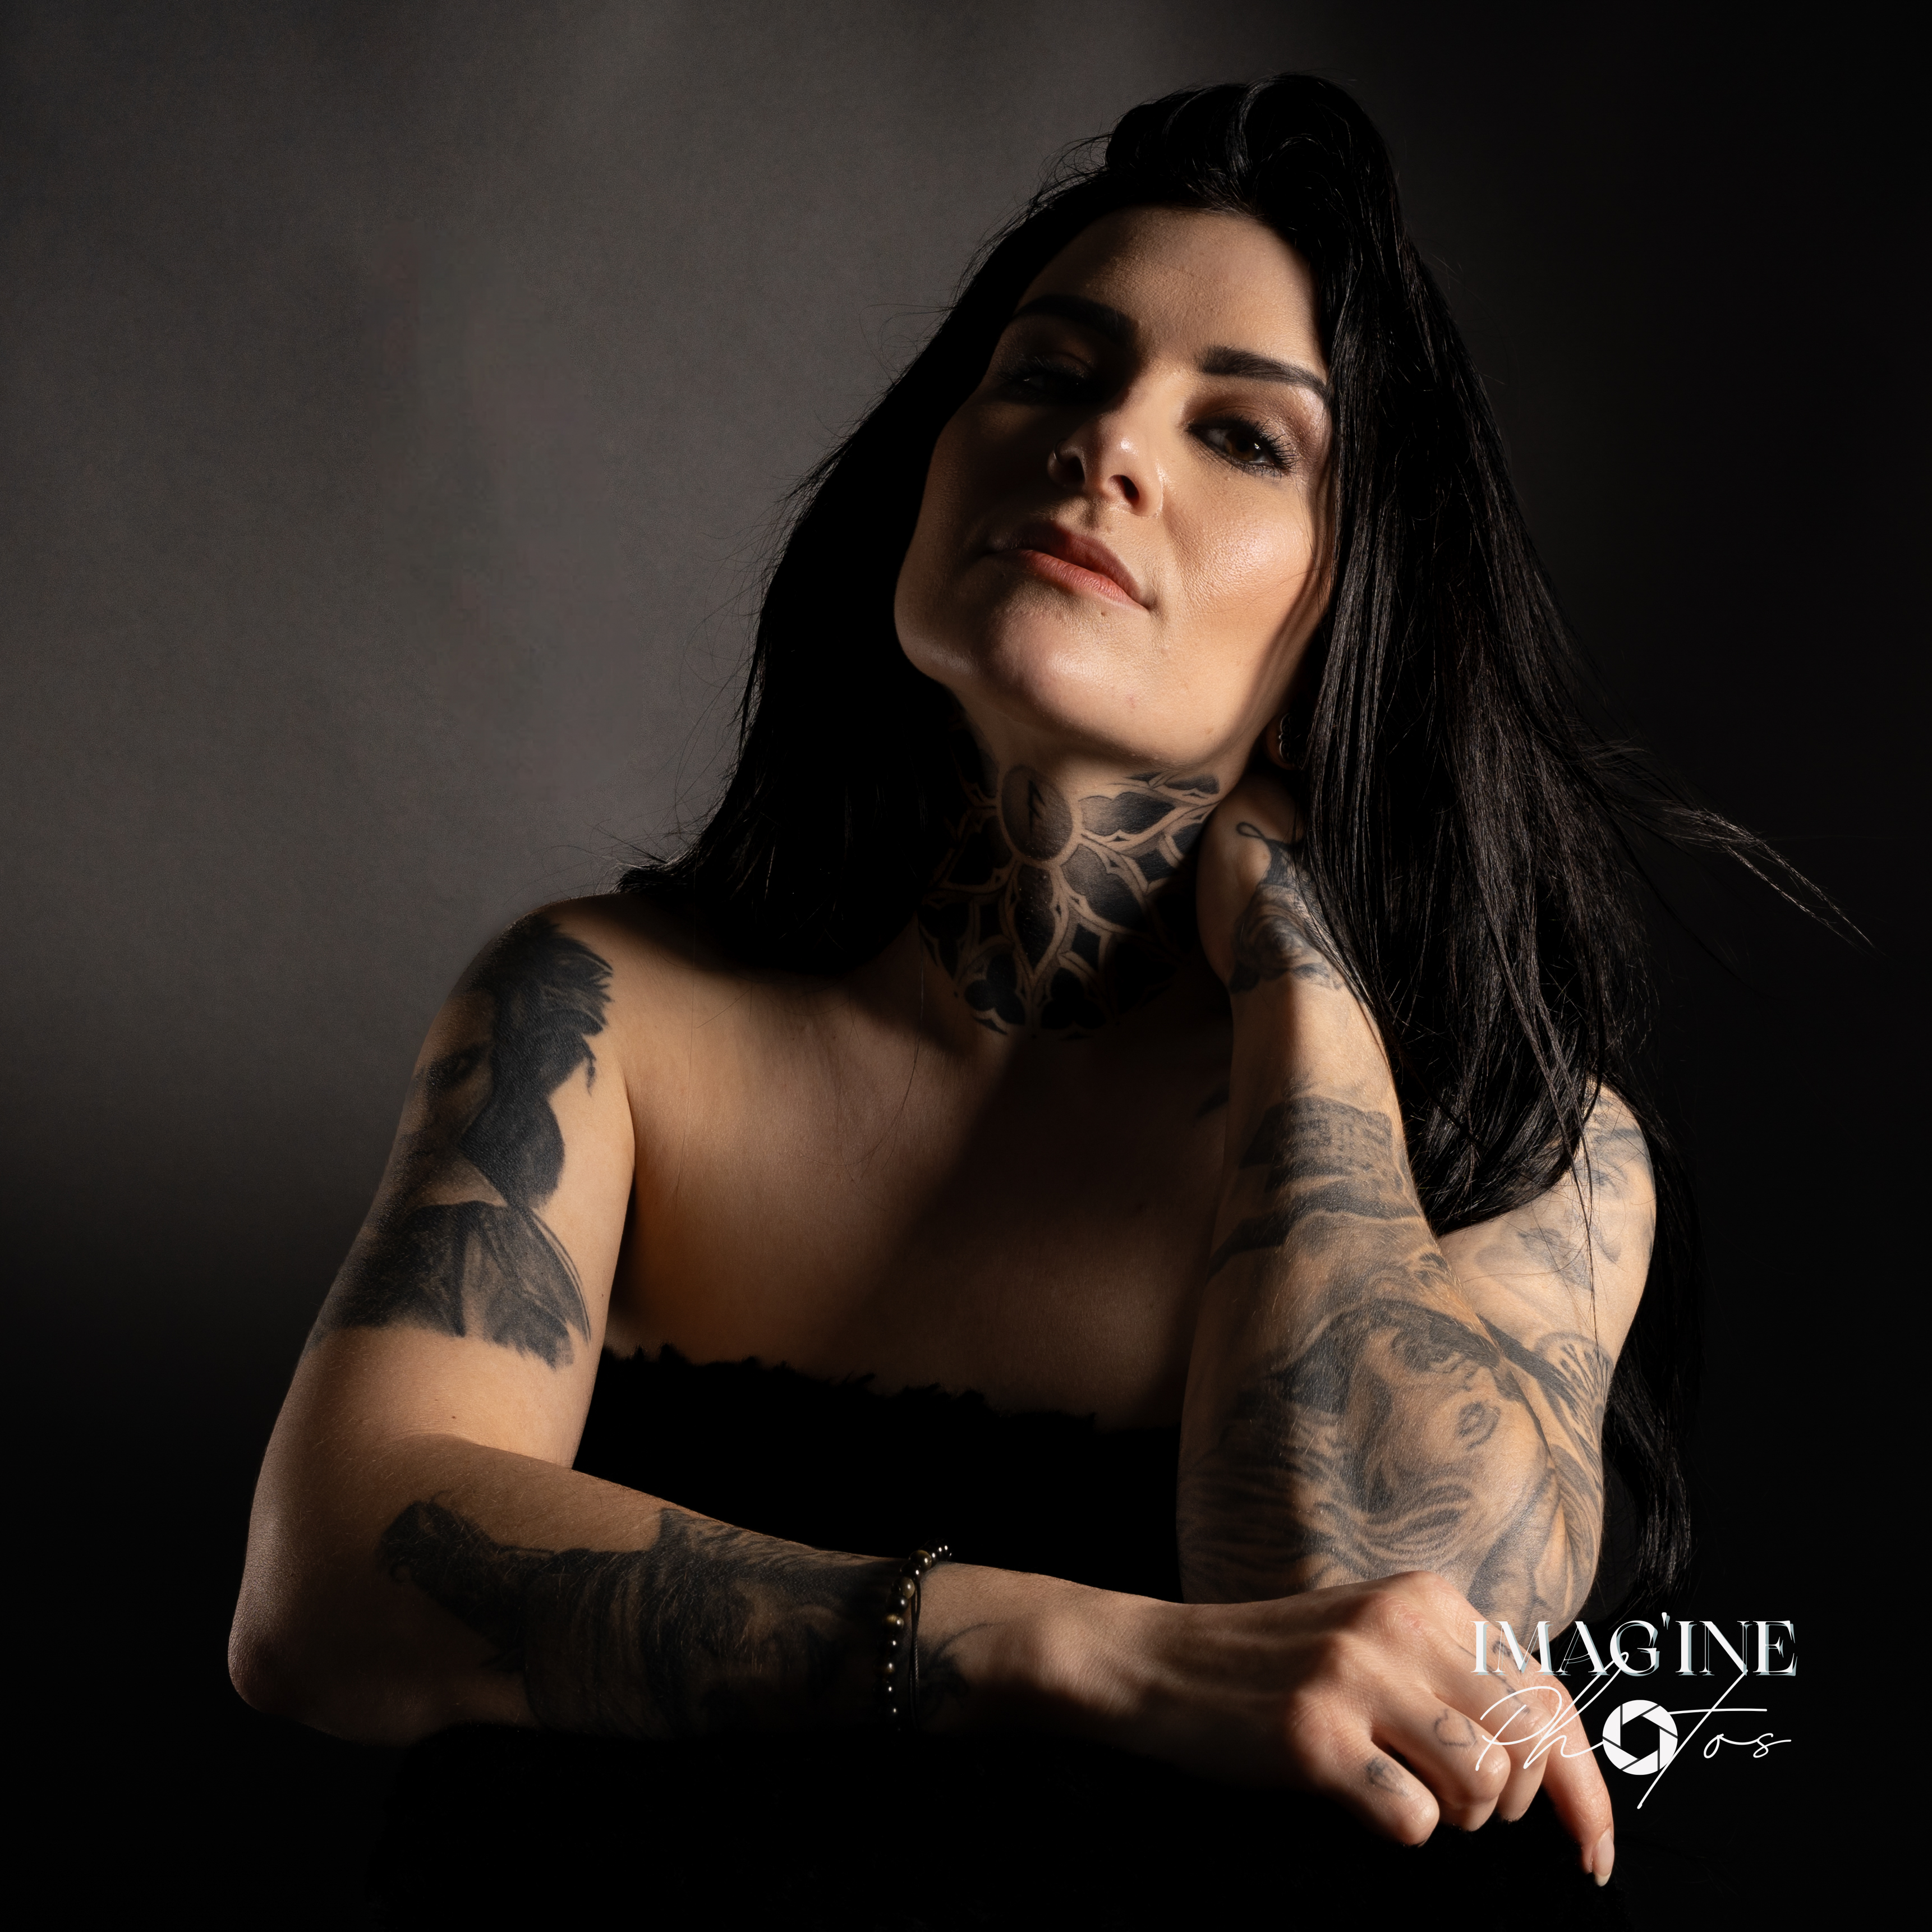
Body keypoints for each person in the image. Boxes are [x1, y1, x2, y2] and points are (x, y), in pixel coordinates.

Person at [231, 75, 1723, 1921]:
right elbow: (322, 1593)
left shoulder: (1513, 1141)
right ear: (923, 472)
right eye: (1048, 370)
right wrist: (1063, 1644)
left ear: (1358, 602)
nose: (1104, 442)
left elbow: (1378, 1632)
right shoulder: (598, 1015)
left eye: (1242, 435)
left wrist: (1297, 950)